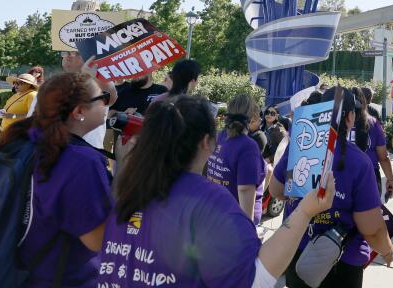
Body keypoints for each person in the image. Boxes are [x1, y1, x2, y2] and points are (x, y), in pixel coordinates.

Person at [99, 95, 337, 288]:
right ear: (206, 142)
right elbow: (255, 279)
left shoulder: (129, 190)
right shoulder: (209, 202)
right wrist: (305, 211)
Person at [0, 72, 114, 286]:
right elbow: (98, 240)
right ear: (79, 111)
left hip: (13, 272)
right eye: (102, 98)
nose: (107, 103)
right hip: (63, 278)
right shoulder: (82, 161)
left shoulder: (20, 142)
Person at [269, 87, 393, 288]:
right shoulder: (359, 162)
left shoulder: (300, 147)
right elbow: (371, 228)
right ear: (351, 117)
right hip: (341, 262)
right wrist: (387, 249)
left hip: (297, 251)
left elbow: (275, 190)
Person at [205, 93, 266, 225]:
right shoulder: (248, 146)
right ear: (252, 117)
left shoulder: (218, 136)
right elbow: (244, 190)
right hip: (234, 224)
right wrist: (246, 232)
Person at [351, 86, 393, 199]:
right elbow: (383, 157)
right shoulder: (373, 123)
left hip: (343, 175)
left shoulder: (339, 123)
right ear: (365, 103)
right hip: (370, 176)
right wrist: (390, 180)